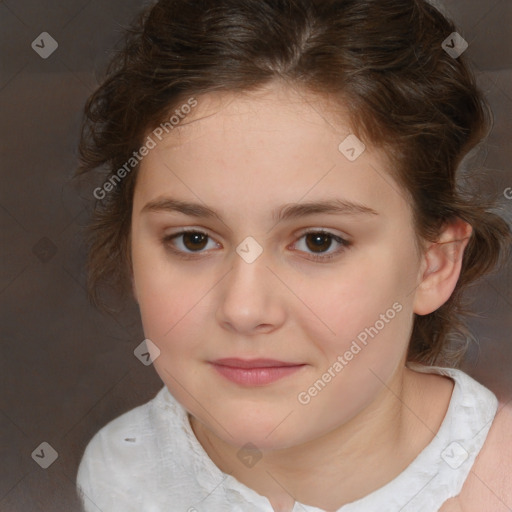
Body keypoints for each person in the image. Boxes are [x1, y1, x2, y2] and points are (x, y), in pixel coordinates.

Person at [75, 0, 512, 510]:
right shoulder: (119, 468)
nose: (244, 309)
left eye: (318, 241)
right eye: (193, 239)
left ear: (433, 265)